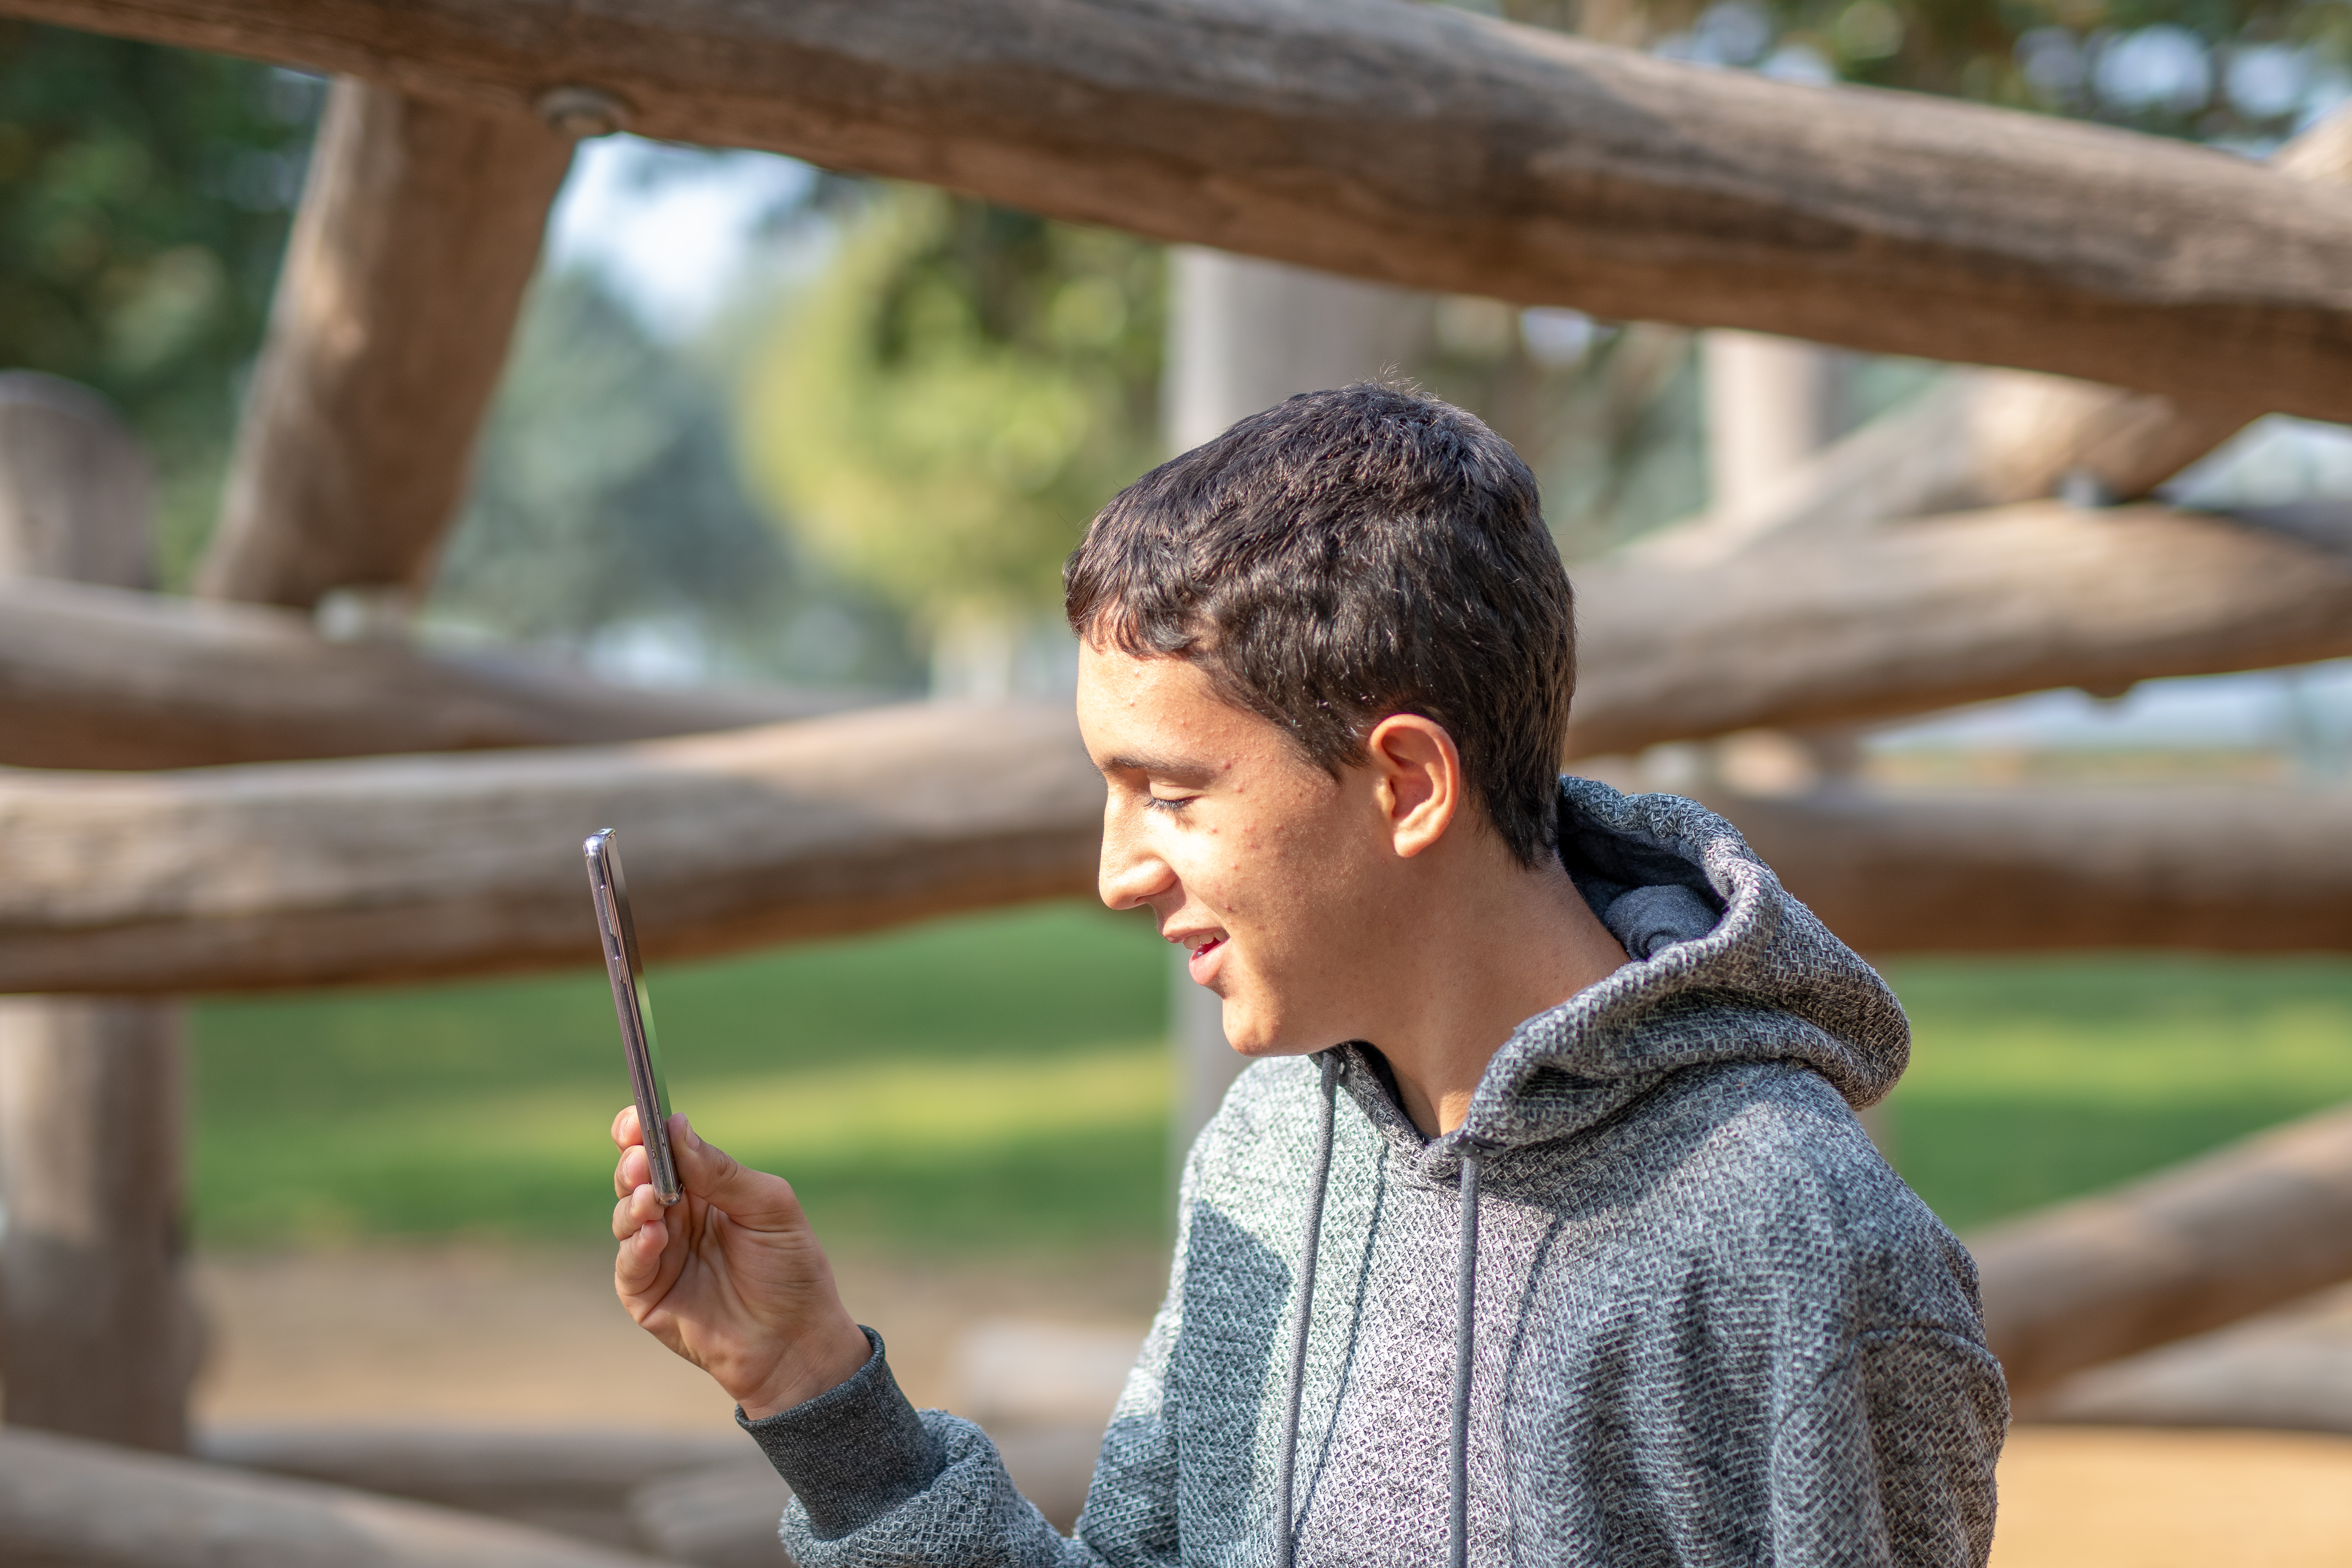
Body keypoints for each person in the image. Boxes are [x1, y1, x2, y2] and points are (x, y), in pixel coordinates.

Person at [608, 383, 2007, 1566]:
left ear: (1407, 783)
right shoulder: (1274, 1149)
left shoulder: (1799, 1250)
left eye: (1171, 793)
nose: (1117, 874)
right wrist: (812, 1385)